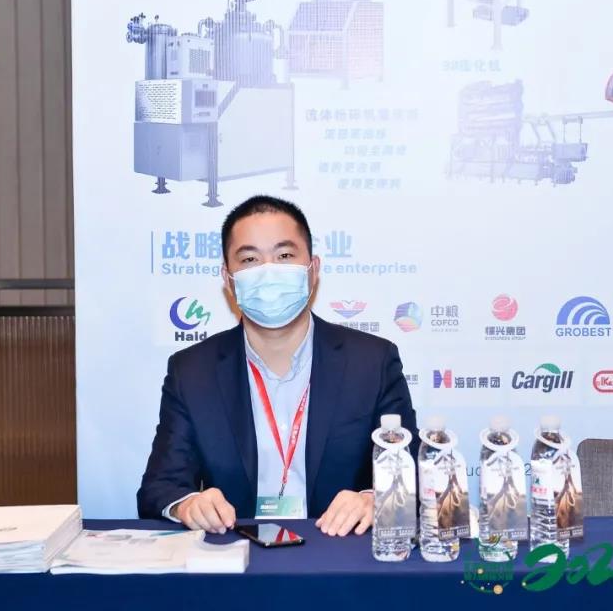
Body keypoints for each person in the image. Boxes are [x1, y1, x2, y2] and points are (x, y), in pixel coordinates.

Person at [137, 195, 418, 536]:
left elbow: (413, 472)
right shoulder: (193, 371)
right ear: (228, 279)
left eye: (284, 256)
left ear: (313, 269)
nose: (268, 272)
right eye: (250, 259)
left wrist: (374, 498)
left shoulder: (371, 362)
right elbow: (160, 487)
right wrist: (188, 505)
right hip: (237, 551)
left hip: (338, 548)